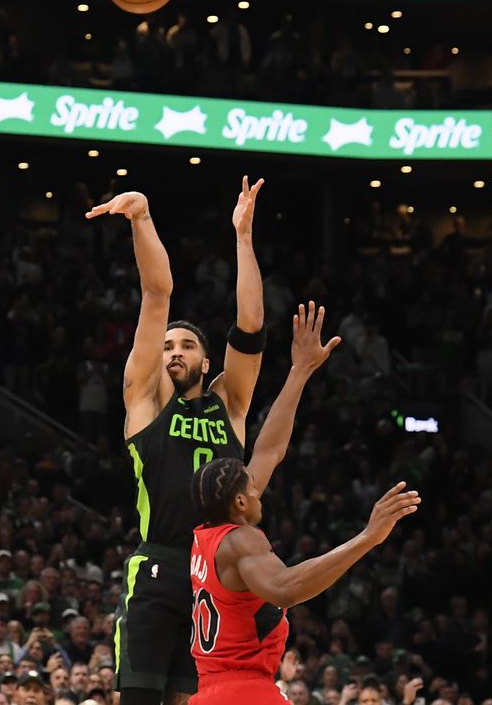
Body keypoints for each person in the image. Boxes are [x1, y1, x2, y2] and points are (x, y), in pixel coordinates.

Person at [86, 179, 269, 705]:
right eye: (168, 344)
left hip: (213, 574)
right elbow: (156, 294)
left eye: (187, 344)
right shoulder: (145, 402)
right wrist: (141, 219)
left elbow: (250, 326)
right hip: (161, 566)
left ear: (206, 363)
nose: (175, 350)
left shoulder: (229, 405)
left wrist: (242, 235)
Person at [186, 457, 420, 705]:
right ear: (240, 501)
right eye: (252, 487)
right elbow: (285, 588)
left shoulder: (204, 540)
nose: (259, 492)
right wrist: (368, 537)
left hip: (208, 692)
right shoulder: (241, 539)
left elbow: (271, 450)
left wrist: (287, 414)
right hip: (246, 693)